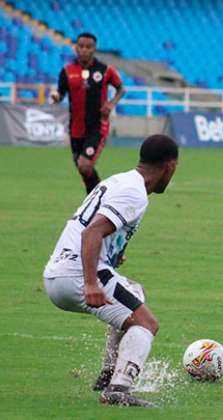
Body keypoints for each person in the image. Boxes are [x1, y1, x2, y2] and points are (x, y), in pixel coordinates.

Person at [42, 135, 178, 407]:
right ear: (170, 166)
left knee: (134, 291)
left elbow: (92, 227)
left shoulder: (120, 180)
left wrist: (113, 253)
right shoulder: (135, 192)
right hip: (77, 275)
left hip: (57, 272)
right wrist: (91, 283)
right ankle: (118, 390)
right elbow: (92, 231)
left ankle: (108, 373)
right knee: (147, 323)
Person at [51, 32, 125, 193]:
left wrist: (111, 104)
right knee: (83, 169)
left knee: (85, 165)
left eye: (88, 47)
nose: (84, 50)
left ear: (94, 49)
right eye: (81, 46)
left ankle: (99, 196)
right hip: (75, 128)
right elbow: (61, 92)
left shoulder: (105, 70)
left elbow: (120, 88)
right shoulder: (67, 71)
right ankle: (97, 197)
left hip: (97, 127)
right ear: (76, 48)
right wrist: (57, 97)